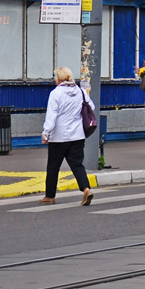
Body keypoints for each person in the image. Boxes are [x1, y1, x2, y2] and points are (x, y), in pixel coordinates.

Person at [39, 67, 94, 206]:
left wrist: (46, 133)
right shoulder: (80, 91)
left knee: (53, 166)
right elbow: (91, 107)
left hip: (59, 137)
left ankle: (50, 196)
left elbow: (51, 116)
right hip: (77, 135)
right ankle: (86, 189)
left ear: (58, 79)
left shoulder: (56, 93)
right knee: (77, 164)